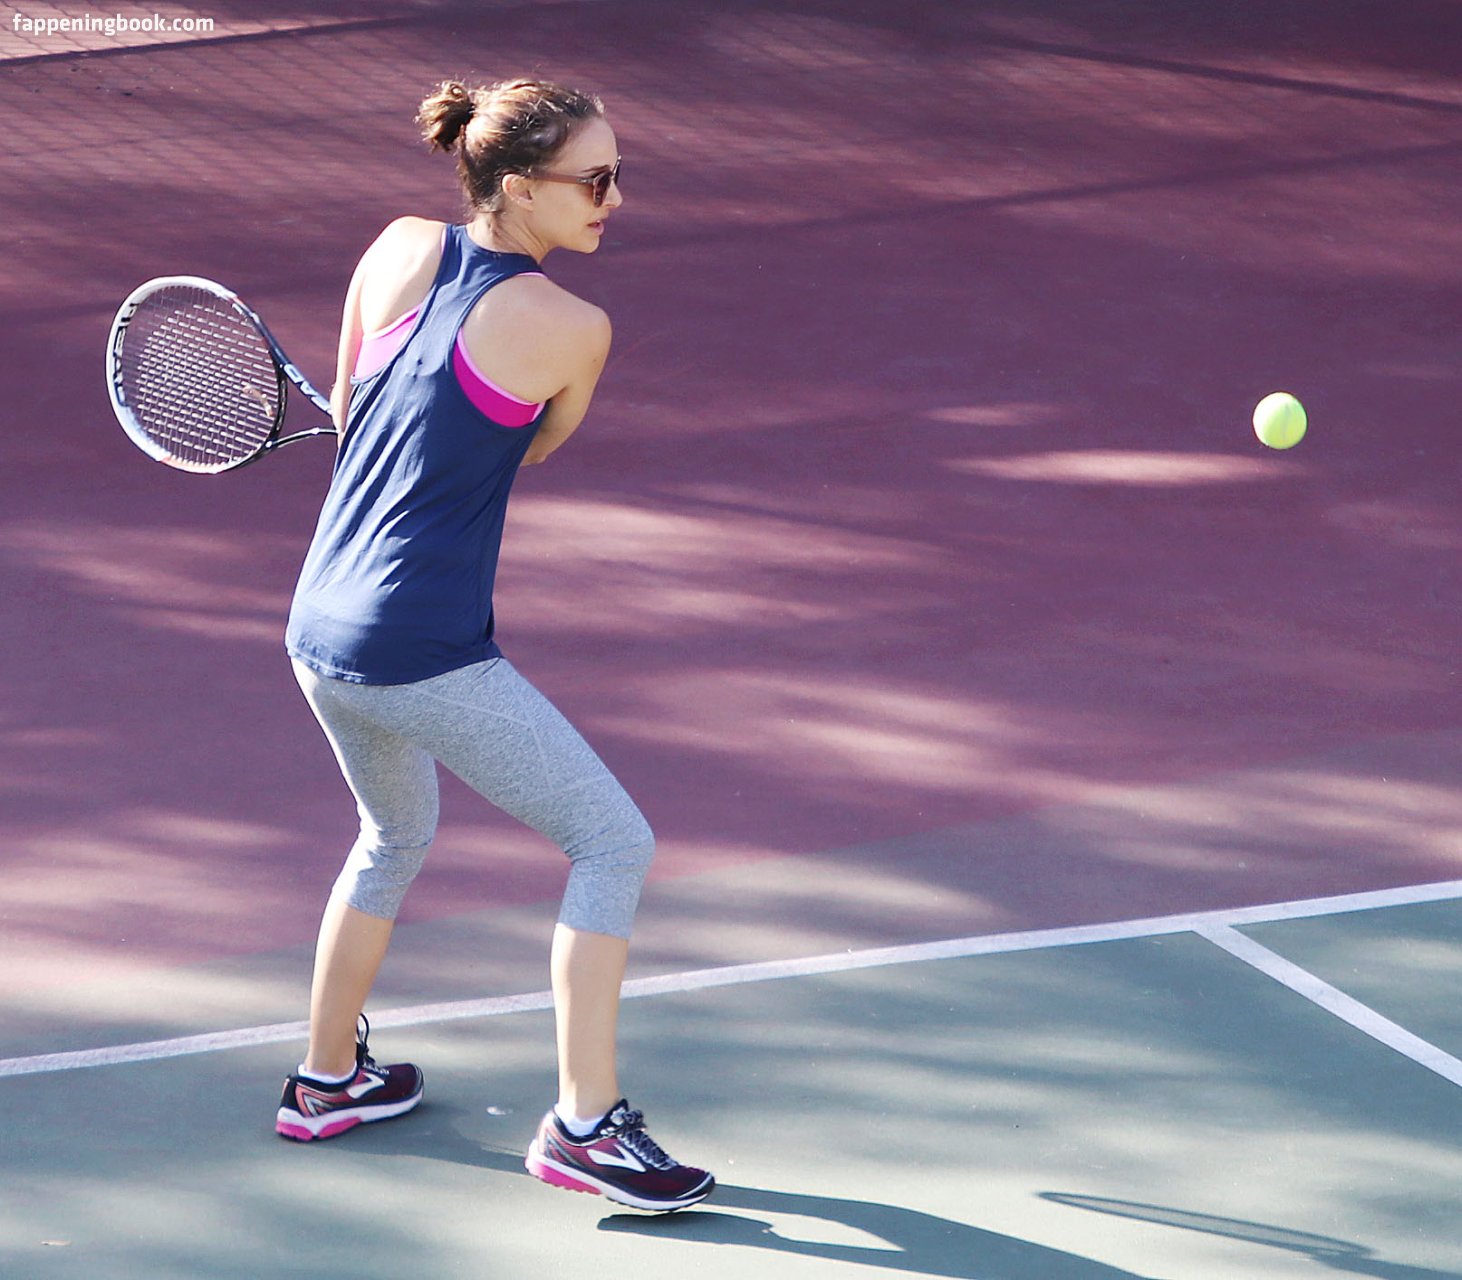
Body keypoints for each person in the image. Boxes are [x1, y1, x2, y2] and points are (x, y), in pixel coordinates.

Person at [272, 76, 714, 1214]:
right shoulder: (574, 328)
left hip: (318, 628)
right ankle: (585, 1125)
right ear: (518, 186)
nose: (615, 199)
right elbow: (532, 447)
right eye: (594, 180)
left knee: (392, 833)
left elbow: (349, 401)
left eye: (618, 175)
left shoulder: (394, 247)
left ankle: (326, 1080)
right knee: (612, 842)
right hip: (421, 645)